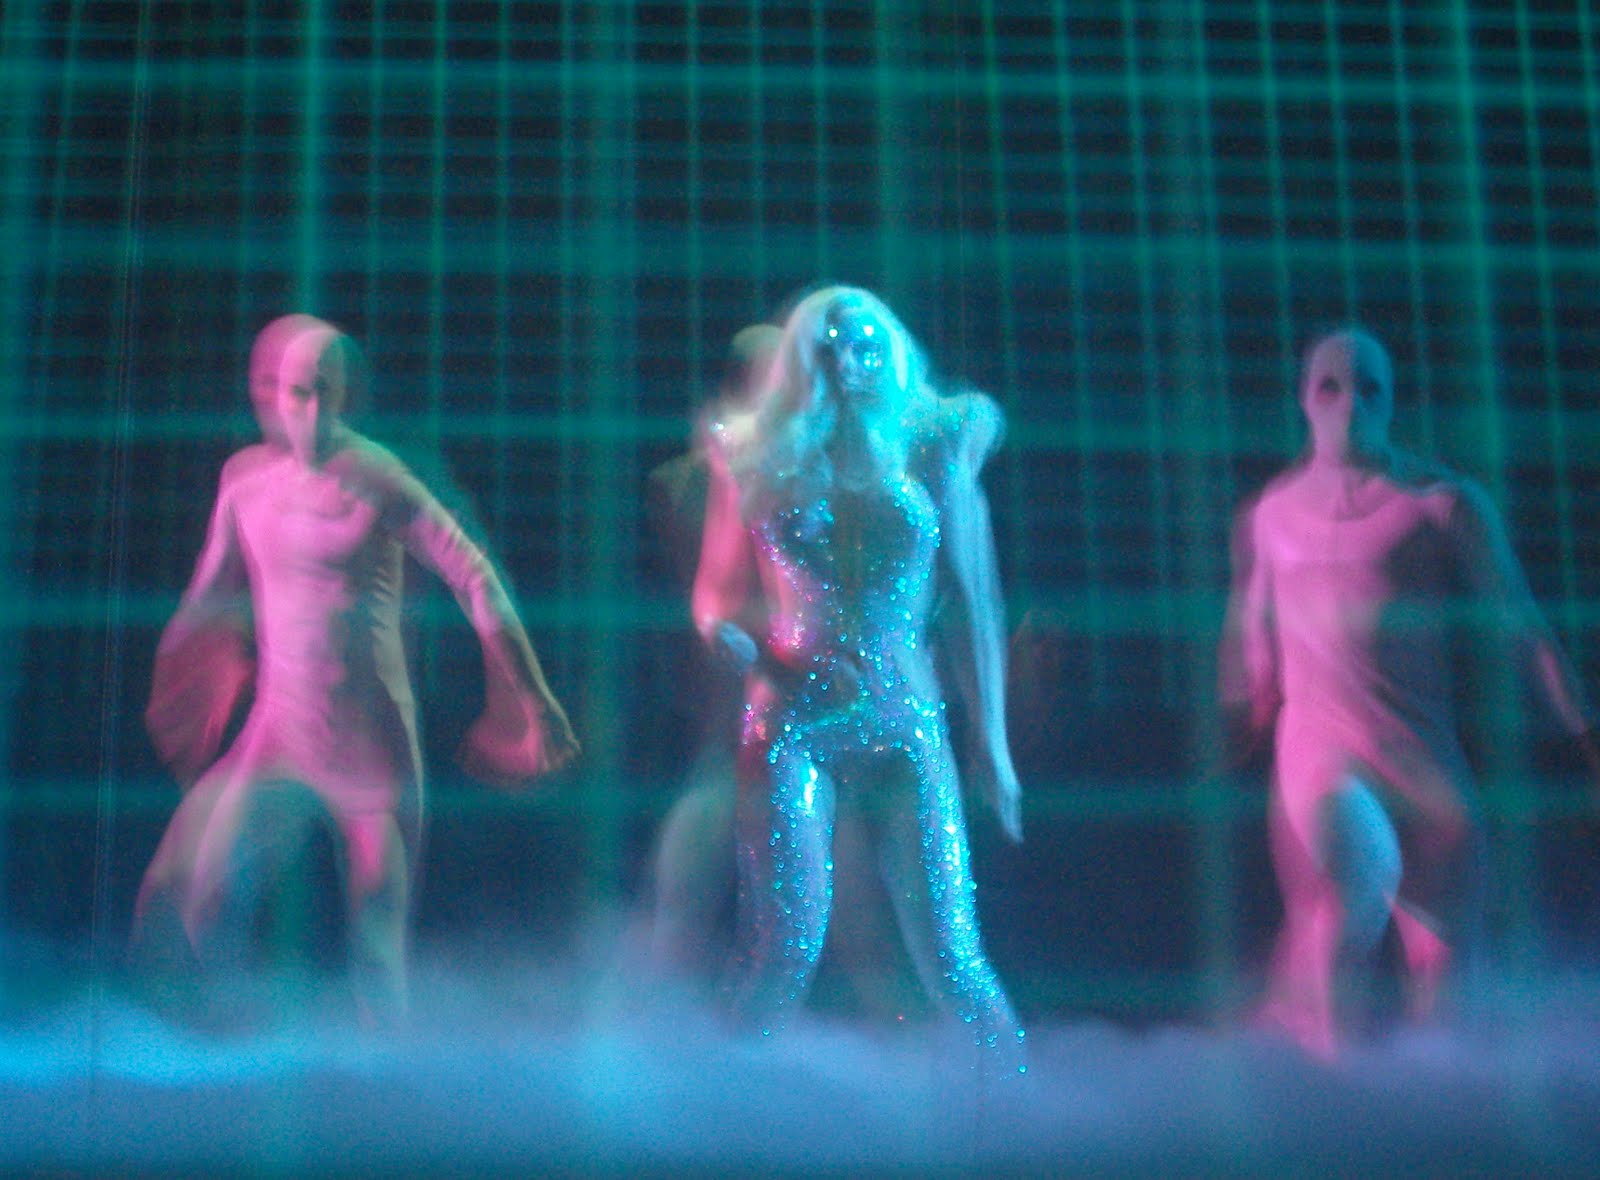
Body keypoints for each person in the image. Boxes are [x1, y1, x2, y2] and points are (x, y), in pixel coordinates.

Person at [136, 318, 579, 1024]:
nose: (311, 412)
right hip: (278, 738)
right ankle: (203, 1048)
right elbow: (207, 594)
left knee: (377, 952)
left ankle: (382, 1076)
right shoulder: (245, 484)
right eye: (295, 393)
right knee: (180, 899)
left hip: (372, 752)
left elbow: (475, 577)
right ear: (266, 395)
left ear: (347, 396)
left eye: (326, 394)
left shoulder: (377, 479)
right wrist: (187, 682)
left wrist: (532, 698)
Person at [1220, 326, 1600, 1059]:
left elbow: (1519, 625)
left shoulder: (1439, 504)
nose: (1350, 405)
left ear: (1392, 400)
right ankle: (1321, 1082)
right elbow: (1248, 630)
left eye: (1369, 389)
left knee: (1446, 991)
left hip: (1422, 761)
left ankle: (1408, 1103)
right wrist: (1241, 710)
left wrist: (1585, 733)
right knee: (1358, 877)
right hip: (1320, 750)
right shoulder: (1270, 515)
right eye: (1331, 387)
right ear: (1304, 399)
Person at [691, 286, 1024, 1068]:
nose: (851, 361)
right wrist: (756, 657)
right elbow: (714, 603)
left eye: (868, 344)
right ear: (806, 363)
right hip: (793, 720)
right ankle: (714, 1112)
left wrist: (996, 745)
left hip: (906, 715)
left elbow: (975, 600)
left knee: (953, 955)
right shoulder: (758, 457)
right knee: (785, 944)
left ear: (893, 351)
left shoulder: (934, 445)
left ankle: (1017, 1111)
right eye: (831, 348)